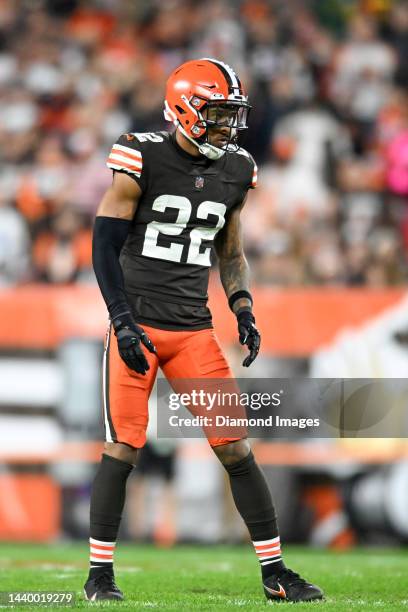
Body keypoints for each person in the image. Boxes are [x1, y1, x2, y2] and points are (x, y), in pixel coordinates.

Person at [84, 58, 323, 603]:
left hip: (194, 329)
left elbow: (231, 251)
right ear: (185, 108)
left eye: (231, 115)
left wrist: (243, 307)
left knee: (236, 448)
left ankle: (275, 573)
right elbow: (102, 244)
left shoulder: (236, 168)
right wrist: (120, 318)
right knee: (123, 445)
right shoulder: (140, 153)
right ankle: (100, 574)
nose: (226, 126)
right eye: (216, 114)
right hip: (138, 324)